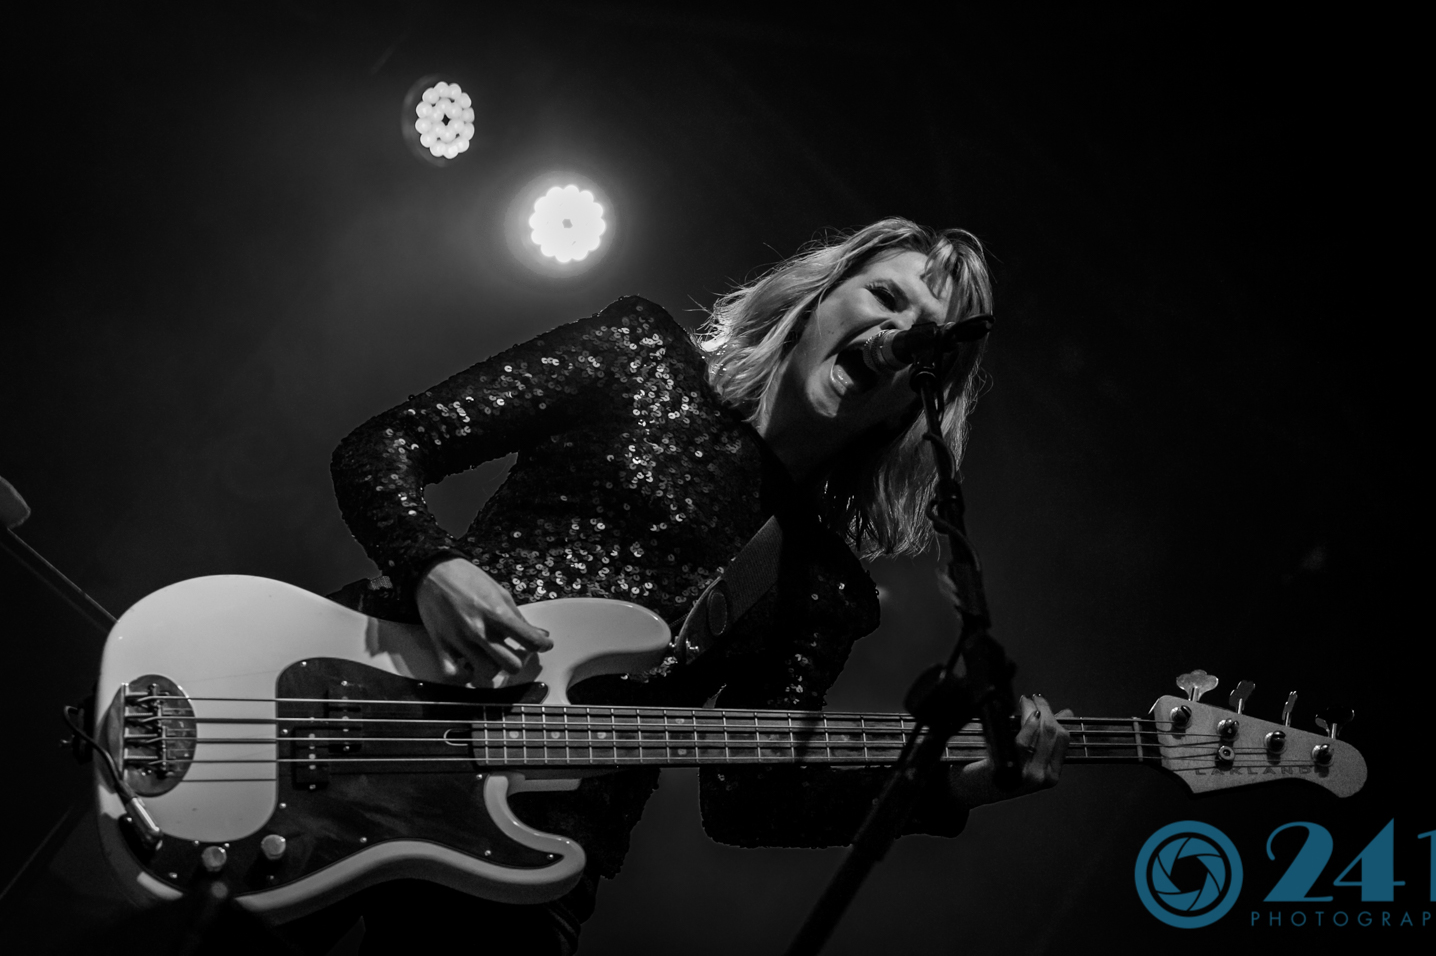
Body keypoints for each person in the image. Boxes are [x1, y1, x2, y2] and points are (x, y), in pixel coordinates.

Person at [302, 218, 1071, 955]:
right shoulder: (638, 359)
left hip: (528, 861)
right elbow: (381, 449)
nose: (897, 334)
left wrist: (950, 790)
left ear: (917, 399)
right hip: (354, 722)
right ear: (817, 297)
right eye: (885, 296)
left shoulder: (820, 584)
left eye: (926, 337)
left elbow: (747, 799)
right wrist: (432, 568)